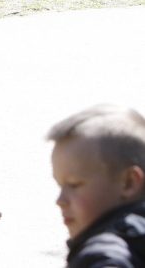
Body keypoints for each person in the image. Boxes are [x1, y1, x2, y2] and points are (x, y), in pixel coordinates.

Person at [49, 105, 145, 268]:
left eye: (74, 185)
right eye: (60, 186)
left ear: (129, 183)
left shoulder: (104, 255)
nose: (60, 200)